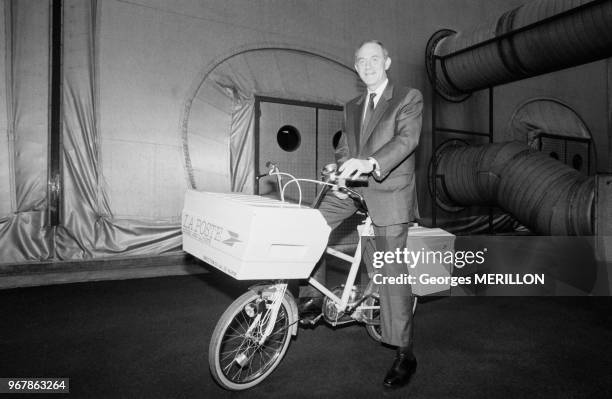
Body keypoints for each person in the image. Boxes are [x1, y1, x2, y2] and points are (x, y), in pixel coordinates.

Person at [298, 39, 423, 389]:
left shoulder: (408, 97)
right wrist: (340, 169)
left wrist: (369, 163)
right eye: (360, 61)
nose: (367, 65)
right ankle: (314, 294)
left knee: (390, 266)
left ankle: (405, 352)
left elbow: (407, 140)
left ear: (387, 61)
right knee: (310, 226)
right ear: (356, 68)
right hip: (353, 189)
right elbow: (344, 147)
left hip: (389, 191)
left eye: (373, 59)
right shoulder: (351, 105)